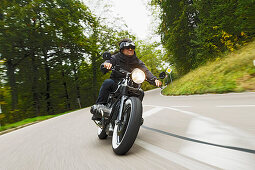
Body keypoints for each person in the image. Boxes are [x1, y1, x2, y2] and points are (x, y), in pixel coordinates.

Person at [91, 38, 162, 120]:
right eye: (128, 47)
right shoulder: (115, 57)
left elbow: (145, 70)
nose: (130, 49)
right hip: (116, 83)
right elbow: (108, 61)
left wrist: (154, 79)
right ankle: (99, 107)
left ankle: (135, 114)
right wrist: (106, 64)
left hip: (131, 85)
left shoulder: (137, 61)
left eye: (132, 47)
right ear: (122, 49)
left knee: (140, 92)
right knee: (108, 82)